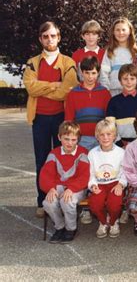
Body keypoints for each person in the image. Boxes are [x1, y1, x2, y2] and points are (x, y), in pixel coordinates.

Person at [23, 21, 79, 218]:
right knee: (42, 161)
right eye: (45, 36)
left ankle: (64, 201)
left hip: (61, 119)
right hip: (39, 119)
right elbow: (31, 88)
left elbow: (67, 91)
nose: (49, 39)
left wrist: (46, 88)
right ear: (40, 39)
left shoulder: (68, 62)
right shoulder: (32, 62)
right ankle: (43, 201)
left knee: (64, 160)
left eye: (53, 35)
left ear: (59, 37)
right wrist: (54, 85)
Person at [39, 121, 89, 243]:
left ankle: (71, 229)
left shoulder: (83, 153)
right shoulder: (53, 153)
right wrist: (50, 188)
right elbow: (45, 175)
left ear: (78, 139)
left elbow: (85, 176)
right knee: (48, 203)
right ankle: (60, 227)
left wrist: (71, 189)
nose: (70, 143)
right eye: (66, 139)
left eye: (73, 140)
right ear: (59, 137)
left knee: (67, 201)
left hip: (77, 188)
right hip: (57, 186)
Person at [87, 119, 127, 238]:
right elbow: (90, 173)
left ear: (114, 136)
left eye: (109, 134)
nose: (105, 138)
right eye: (102, 135)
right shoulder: (92, 153)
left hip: (115, 183)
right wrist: (93, 185)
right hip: (99, 184)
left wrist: (121, 184)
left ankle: (114, 221)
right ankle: (103, 222)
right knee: (95, 204)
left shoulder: (121, 152)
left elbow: (126, 172)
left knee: (114, 204)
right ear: (97, 136)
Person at [65, 56, 111, 150]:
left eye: (93, 73)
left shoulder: (105, 93)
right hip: (82, 139)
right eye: (87, 73)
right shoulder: (73, 93)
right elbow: (69, 119)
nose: (90, 77)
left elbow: (109, 119)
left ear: (98, 73)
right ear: (81, 73)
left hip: (101, 138)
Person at [106, 64, 137, 147]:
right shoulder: (114, 102)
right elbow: (110, 126)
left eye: (132, 79)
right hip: (119, 146)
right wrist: (120, 143)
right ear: (120, 81)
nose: (129, 82)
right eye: (125, 79)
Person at [100, 17, 137, 96]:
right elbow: (104, 74)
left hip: (132, 92)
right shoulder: (109, 52)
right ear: (113, 32)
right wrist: (106, 91)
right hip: (113, 92)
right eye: (117, 30)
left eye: (123, 30)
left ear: (129, 31)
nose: (120, 33)